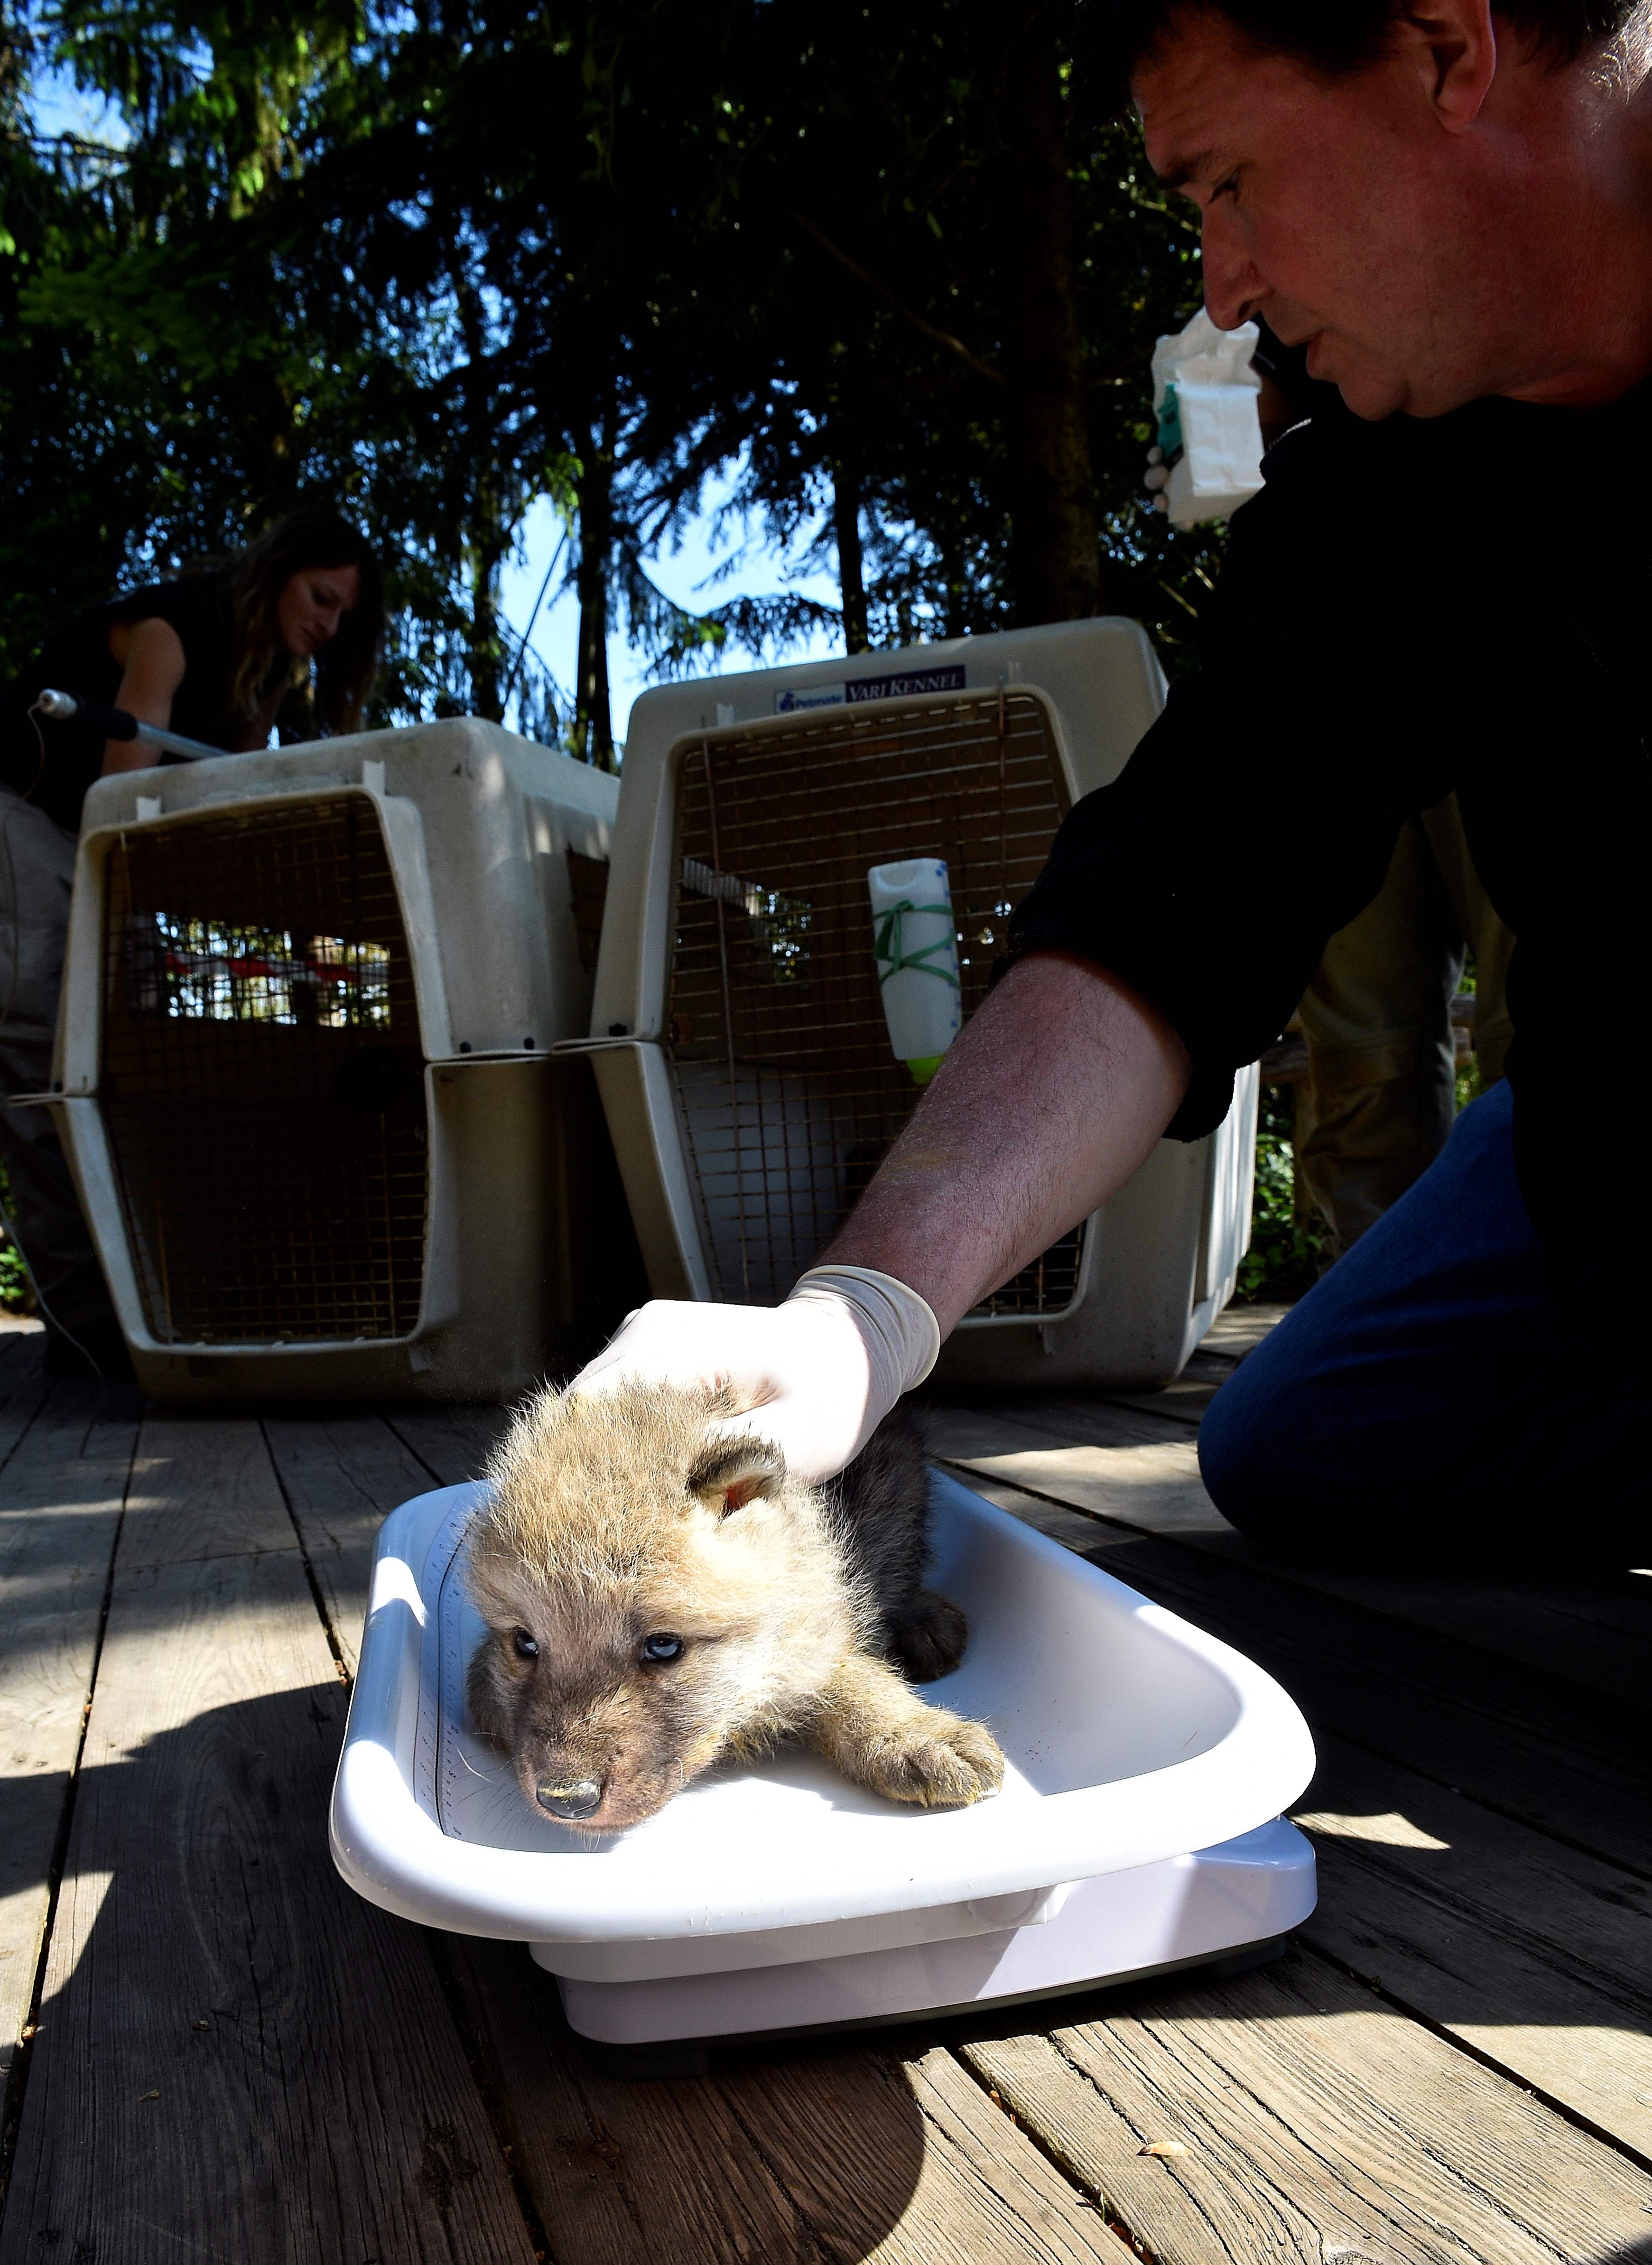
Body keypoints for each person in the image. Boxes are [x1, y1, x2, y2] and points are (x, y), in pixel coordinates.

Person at [570, 0, 1647, 1572]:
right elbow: (1181, 878)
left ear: (1442, 48)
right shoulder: (1399, 471)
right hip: (1594, 1112)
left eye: (1227, 183)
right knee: (1300, 1448)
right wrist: (862, 1312)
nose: (1225, 283)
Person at [0, 506, 385, 1374]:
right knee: (35, 1052)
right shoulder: (168, 634)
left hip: (106, 851)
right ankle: (86, 1336)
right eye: (320, 598)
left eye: (342, 617)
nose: (327, 625)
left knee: (140, 1054)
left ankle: (168, 1305)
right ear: (279, 571)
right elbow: (118, 811)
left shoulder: (271, 676)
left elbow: (217, 806)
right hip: (31, 822)